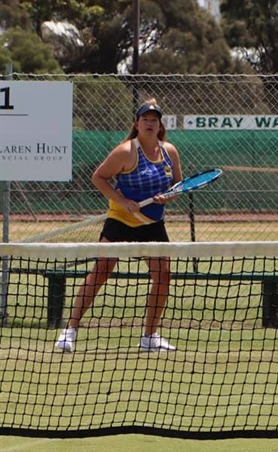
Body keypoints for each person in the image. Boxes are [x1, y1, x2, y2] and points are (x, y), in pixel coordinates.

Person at [55, 99, 183, 353]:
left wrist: (168, 196)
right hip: (121, 221)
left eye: (154, 120)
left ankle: (150, 336)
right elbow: (98, 178)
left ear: (160, 125)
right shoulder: (125, 151)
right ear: (136, 124)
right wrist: (123, 201)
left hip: (153, 223)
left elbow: (178, 185)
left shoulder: (170, 151)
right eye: (145, 119)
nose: (149, 123)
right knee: (101, 270)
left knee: (163, 276)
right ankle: (69, 331)